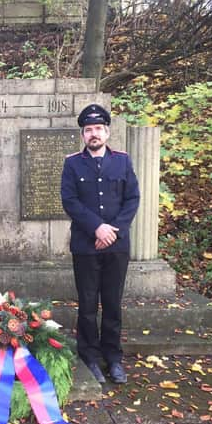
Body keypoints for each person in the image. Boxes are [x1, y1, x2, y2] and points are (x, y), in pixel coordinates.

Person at [60, 104, 140, 384]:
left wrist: (113, 230)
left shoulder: (122, 161)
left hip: (117, 246)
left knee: (113, 304)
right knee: (88, 304)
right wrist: (97, 227)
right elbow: (69, 200)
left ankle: (113, 358)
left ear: (107, 131)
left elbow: (132, 199)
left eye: (98, 129)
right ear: (83, 134)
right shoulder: (72, 163)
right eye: (88, 130)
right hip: (86, 245)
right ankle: (90, 356)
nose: (93, 134)